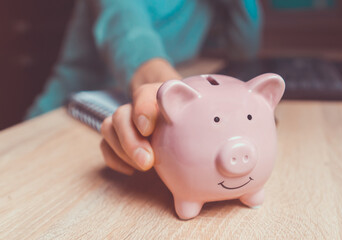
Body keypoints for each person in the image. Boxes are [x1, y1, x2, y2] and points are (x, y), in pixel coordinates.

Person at [27, 0, 262, 175]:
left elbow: (244, 49)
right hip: (60, 119)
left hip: (125, 116)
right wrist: (164, 86)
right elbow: (126, 28)